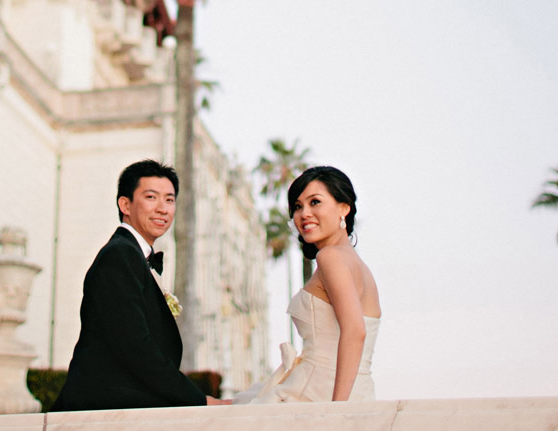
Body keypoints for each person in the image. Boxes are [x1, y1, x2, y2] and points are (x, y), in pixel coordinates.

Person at [51, 159, 226, 410]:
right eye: (151, 197)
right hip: (98, 415)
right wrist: (199, 400)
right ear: (126, 204)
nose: (163, 208)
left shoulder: (132, 255)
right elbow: (135, 347)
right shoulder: (119, 256)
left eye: (169, 199)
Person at [236, 165, 381, 403]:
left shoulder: (331, 257)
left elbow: (355, 331)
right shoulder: (361, 267)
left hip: (320, 392)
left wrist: (337, 409)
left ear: (344, 208)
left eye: (315, 202)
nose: (304, 214)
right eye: (297, 207)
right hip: (361, 392)